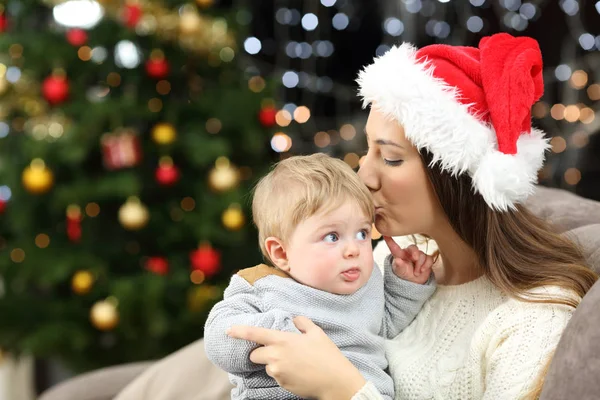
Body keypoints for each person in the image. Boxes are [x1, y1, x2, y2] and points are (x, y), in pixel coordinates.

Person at [226, 33, 598, 400]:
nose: (363, 177)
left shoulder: (533, 319)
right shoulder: (396, 257)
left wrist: (344, 390)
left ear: (454, 175)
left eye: (390, 158)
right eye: (367, 151)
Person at [203, 153, 436, 400]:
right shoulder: (263, 286)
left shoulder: (367, 283)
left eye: (362, 233)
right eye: (332, 237)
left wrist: (406, 284)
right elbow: (219, 338)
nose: (353, 250)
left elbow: (386, 324)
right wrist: (274, 332)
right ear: (282, 253)